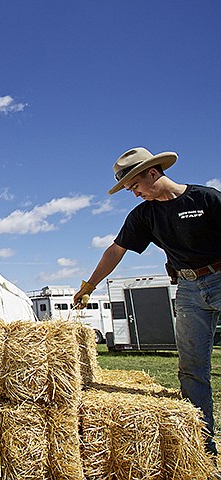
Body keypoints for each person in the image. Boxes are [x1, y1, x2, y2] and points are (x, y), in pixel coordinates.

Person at [73, 146, 221, 455]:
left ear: (152, 173)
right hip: (189, 290)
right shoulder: (144, 215)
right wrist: (89, 284)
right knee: (192, 368)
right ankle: (203, 448)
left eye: (135, 186)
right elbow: (116, 250)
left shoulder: (206, 199)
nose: (134, 193)